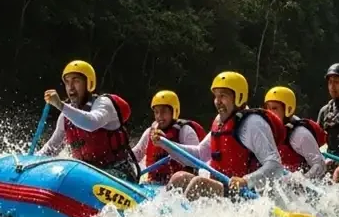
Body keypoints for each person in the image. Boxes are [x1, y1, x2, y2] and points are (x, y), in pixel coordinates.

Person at [152, 71, 285, 200]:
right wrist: (164, 143)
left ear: (238, 97)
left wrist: (246, 181)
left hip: (246, 193)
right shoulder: (221, 122)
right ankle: (163, 214)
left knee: (199, 184)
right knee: (179, 177)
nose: (217, 101)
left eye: (223, 96)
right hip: (223, 188)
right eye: (216, 96)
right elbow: (199, 155)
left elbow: (275, 166)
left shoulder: (253, 123)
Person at [38, 59, 140, 183]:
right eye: (67, 82)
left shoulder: (104, 104)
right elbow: (51, 148)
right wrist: (31, 160)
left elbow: (91, 123)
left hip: (119, 174)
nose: (71, 87)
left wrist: (60, 105)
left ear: (89, 83)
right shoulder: (66, 115)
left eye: (76, 81)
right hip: (87, 175)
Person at [130, 90, 206, 184]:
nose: (159, 116)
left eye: (163, 112)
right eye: (156, 112)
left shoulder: (185, 131)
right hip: (153, 184)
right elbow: (136, 154)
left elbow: (196, 159)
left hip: (180, 185)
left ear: (174, 111)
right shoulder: (150, 132)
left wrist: (166, 144)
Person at [263, 85, 327, 179]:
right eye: (268, 108)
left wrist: (301, 181)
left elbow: (320, 165)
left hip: (302, 185)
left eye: (275, 108)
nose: (270, 113)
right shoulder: (269, 131)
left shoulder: (300, 134)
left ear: (288, 110)